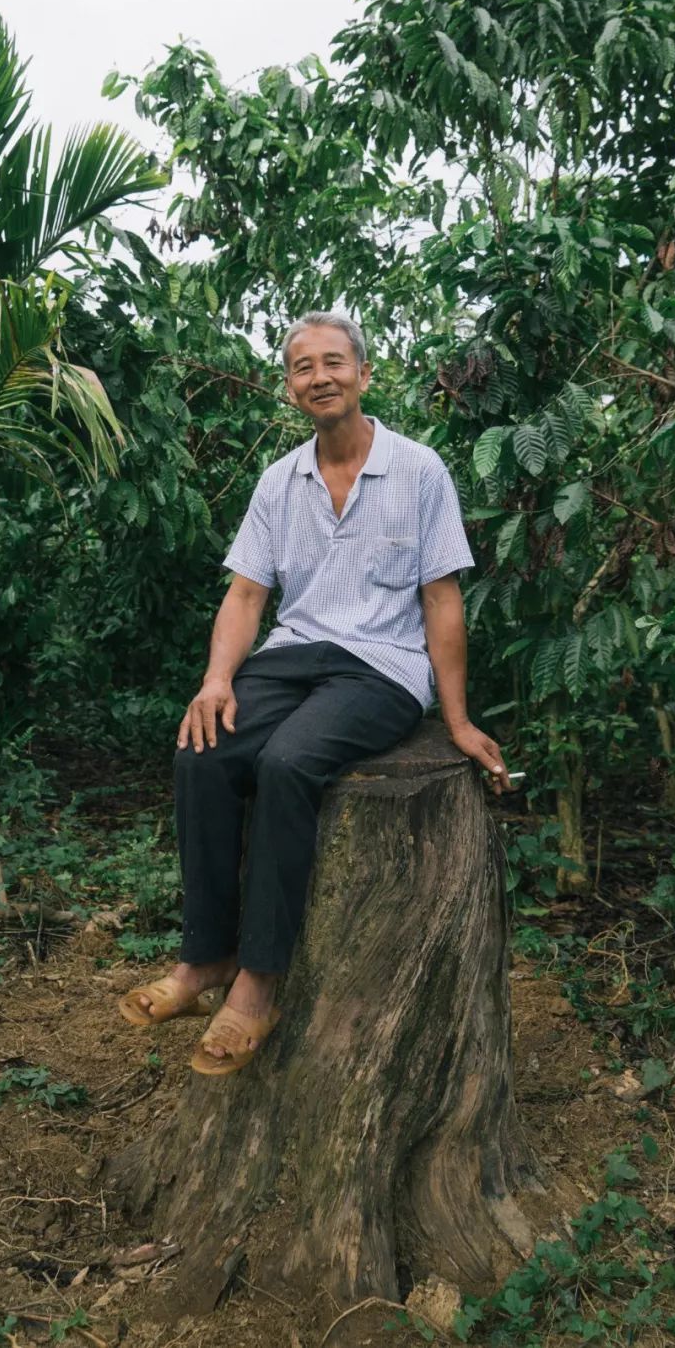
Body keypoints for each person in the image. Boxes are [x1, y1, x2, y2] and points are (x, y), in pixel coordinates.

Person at [118, 312, 516, 1075]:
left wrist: (458, 719)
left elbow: (442, 599)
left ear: (364, 374)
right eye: (303, 367)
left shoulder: (418, 470)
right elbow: (245, 595)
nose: (319, 376)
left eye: (334, 362)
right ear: (291, 387)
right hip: (293, 654)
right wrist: (216, 680)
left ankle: (259, 981)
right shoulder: (280, 480)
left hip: (382, 667)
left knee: (288, 762)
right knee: (203, 751)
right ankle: (205, 958)